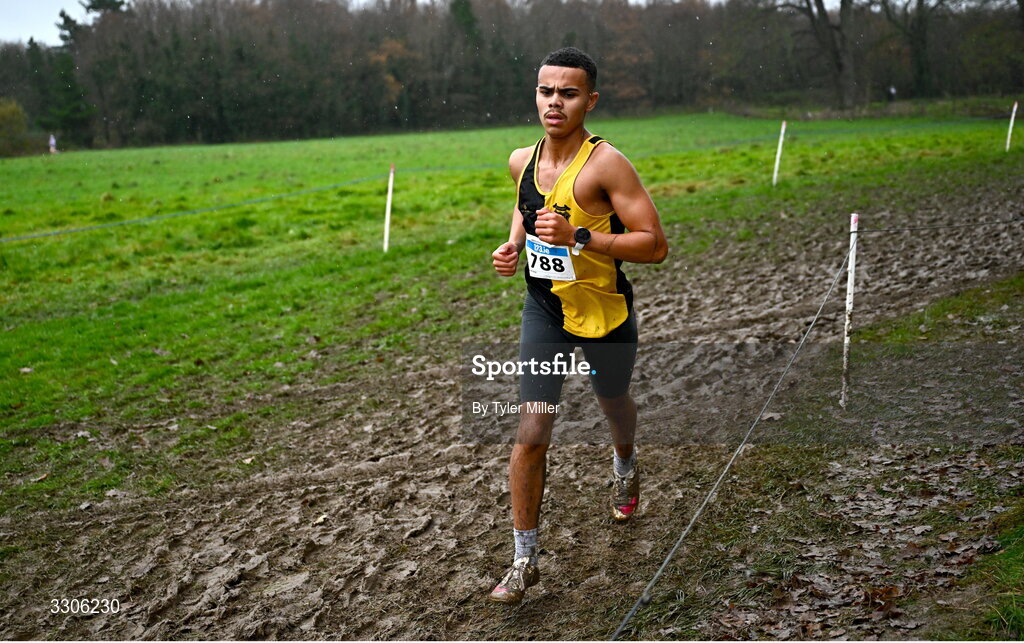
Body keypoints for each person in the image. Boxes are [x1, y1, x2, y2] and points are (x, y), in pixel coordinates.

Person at [488, 47, 668, 604]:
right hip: (544, 308)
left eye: (568, 93)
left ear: (590, 100)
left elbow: (655, 245)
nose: (554, 103)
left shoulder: (607, 164)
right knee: (532, 429)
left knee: (612, 400)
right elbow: (525, 205)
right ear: (535, 95)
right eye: (546, 91)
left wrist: (582, 238)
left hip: (603, 310)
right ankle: (523, 560)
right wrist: (514, 245)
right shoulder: (522, 158)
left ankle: (625, 461)